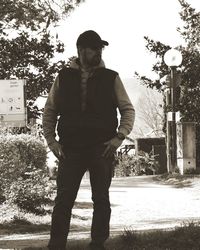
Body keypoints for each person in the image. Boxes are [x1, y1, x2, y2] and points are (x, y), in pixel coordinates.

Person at [43, 30, 135, 250]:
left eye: (100, 48)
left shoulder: (111, 77)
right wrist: (51, 142)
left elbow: (127, 109)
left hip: (101, 148)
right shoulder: (63, 76)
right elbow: (50, 110)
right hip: (70, 149)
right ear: (81, 50)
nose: (98, 52)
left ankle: (97, 244)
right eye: (95, 48)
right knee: (63, 201)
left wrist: (119, 138)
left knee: (101, 199)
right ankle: (56, 245)